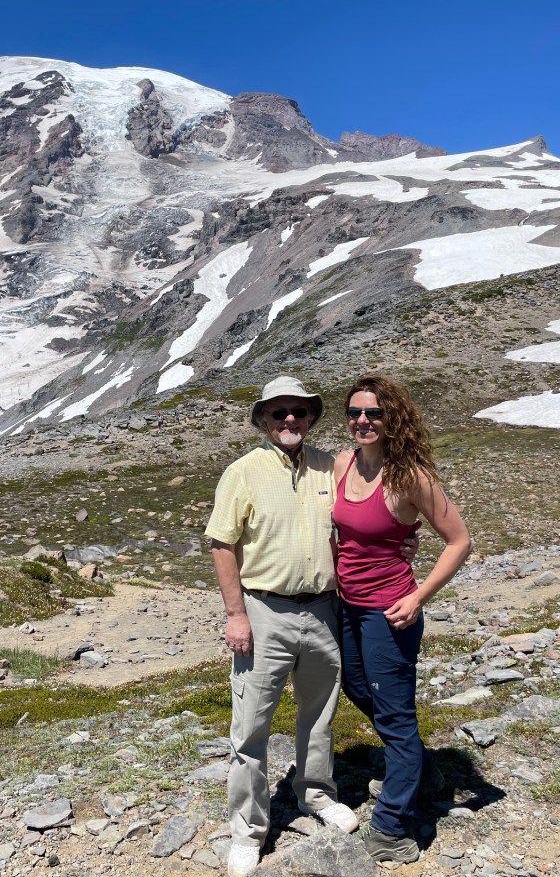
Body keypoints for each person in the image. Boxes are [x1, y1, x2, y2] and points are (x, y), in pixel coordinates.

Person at [206, 376, 359, 877]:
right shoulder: (242, 473)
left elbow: (357, 524)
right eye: (278, 412)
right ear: (263, 420)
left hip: (323, 609)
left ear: (310, 417)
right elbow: (222, 545)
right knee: (250, 726)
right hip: (263, 610)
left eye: (298, 411)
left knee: (319, 713)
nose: (289, 419)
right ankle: (248, 830)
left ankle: (316, 794)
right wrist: (236, 615)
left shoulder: (330, 467)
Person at [333, 374, 472, 864]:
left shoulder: (411, 476)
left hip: (389, 611)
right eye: (355, 413)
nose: (363, 421)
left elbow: (460, 541)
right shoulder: (343, 463)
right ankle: (419, 767)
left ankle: (391, 828)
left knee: (395, 717)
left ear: (392, 419)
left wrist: (418, 597)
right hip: (347, 605)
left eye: (373, 413)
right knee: (355, 686)